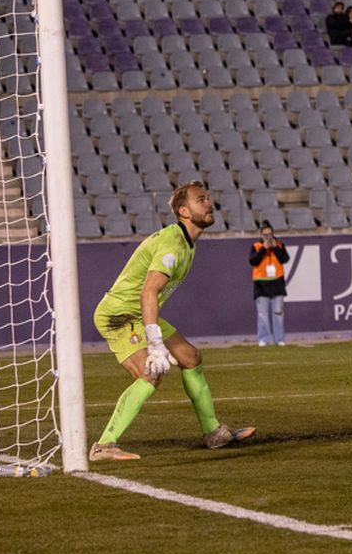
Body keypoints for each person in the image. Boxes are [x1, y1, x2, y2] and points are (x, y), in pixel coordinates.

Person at [87, 182, 255, 461]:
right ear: (184, 211)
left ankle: (214, 433)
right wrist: (154, 343)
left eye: (209, 198)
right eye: (201, 200)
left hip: (139, 312)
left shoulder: (186, 241)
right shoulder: (173, 244)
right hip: (120, 314)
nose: (210, 203)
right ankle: (104, 445)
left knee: (190, 357)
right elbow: (148, 292)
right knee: (150, 375)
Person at [249, 221, 289, 347]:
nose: (268, 237)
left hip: (277, 283)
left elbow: (285, 259)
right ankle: (264, 338)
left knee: (278, 313)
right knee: (263, 315)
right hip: (261, 284)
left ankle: (279, 339)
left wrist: (275, 247)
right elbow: (253, 261)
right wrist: (263, 249)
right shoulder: (255, 246)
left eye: (270, 234)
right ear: (261, 235)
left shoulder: (279, 244)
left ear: (273, 234)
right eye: (265, 235)